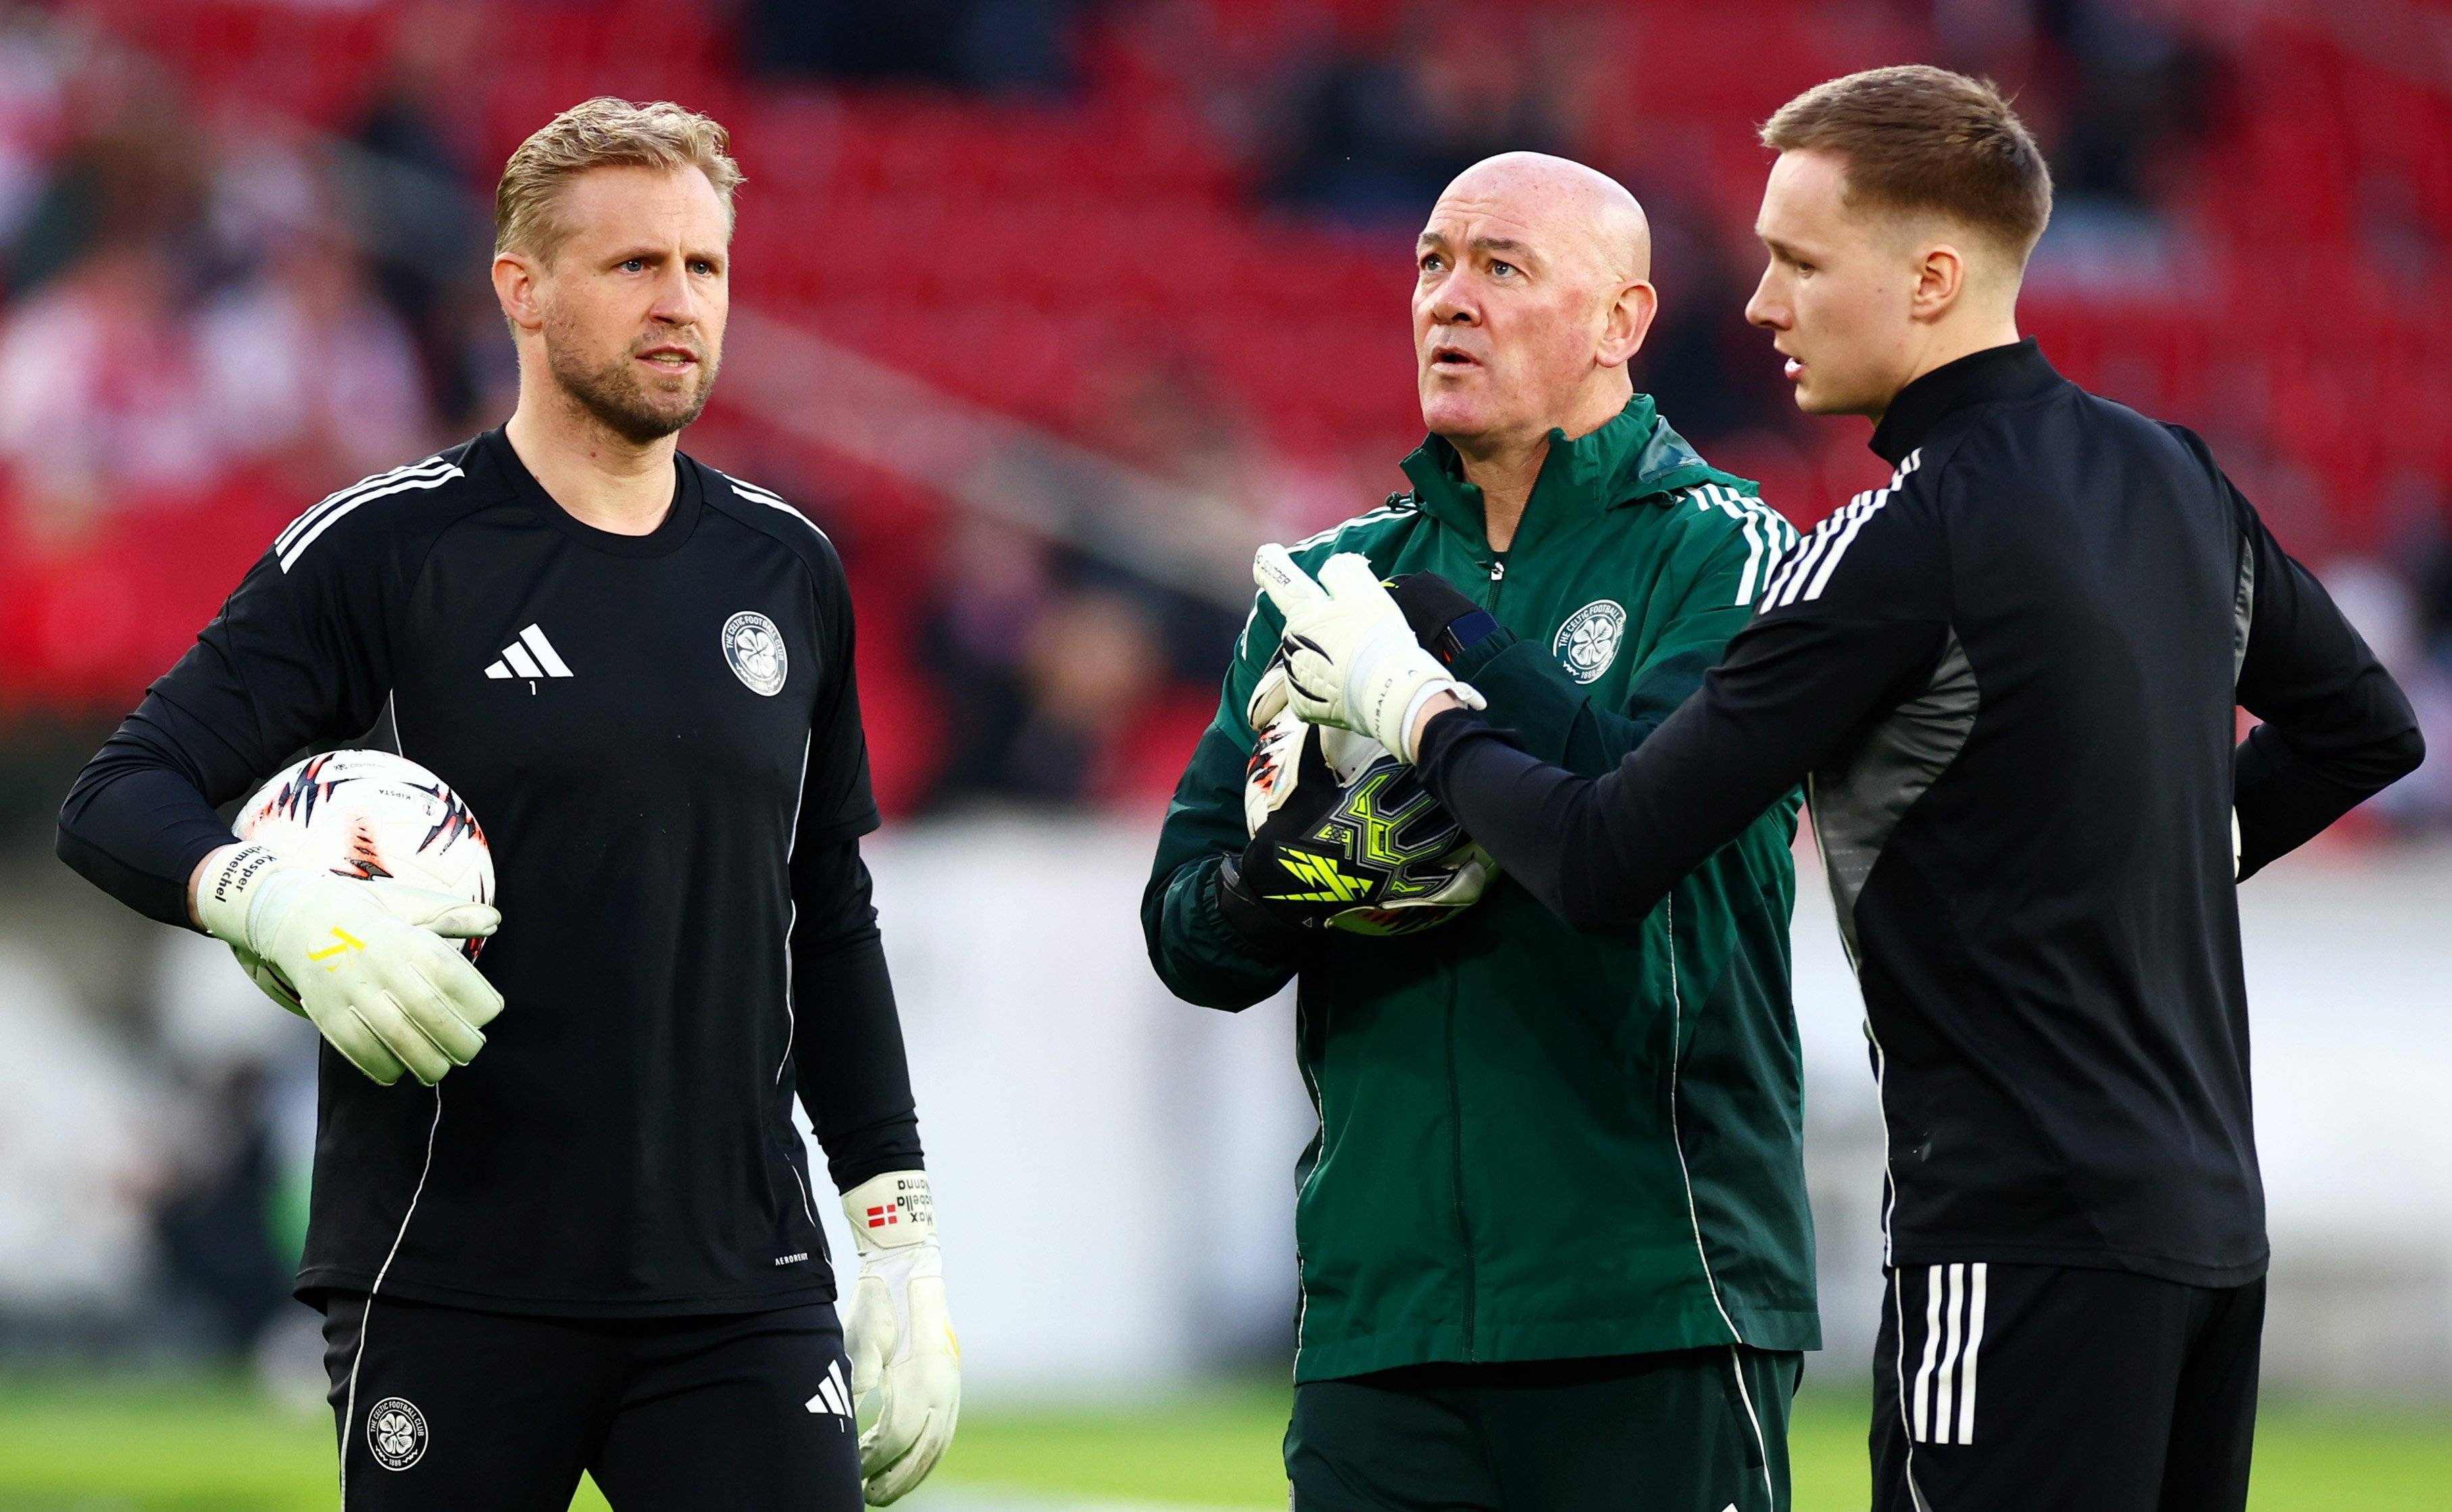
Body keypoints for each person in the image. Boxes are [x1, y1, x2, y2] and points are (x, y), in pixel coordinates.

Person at [1249, 68, 2425, 1512]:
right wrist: (2153, 860)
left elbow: (1603, 855)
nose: (1759, 304)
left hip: (2010, 1236)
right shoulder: (2173, 473)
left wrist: (1411, 699)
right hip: (2210, 1238)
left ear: (1929, 280)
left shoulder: (1894, 541)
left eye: (1799, 263)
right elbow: (2365, 729)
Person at [55, 98, 958, 1511]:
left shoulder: (788, 568)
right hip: (449, 1275)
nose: (680, 302)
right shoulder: (386, 549)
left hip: (741, 1281)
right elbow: (118, 795)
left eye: (705, 266)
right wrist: (277, 906)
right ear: (521, 290)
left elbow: (829, 917)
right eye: (635, 264)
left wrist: (896, 1235)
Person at [1145, 152, 1816, 1511]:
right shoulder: (1325, 586)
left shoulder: (1726, 551)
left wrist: (1442, 664)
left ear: (1622, 319)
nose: (1449, 299)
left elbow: (1636, 823)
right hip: (1379, 1319)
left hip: (1656, 1295)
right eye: (1431, 264)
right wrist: (1296, 879)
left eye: (1502, 267)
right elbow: (1185, 935)